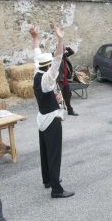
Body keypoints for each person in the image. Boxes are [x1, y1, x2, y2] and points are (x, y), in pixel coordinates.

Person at [30, 25, 75, 198]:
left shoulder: (37, 71)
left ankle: (48, 179)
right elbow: (57, 61)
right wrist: (60, 39)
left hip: (42, 117)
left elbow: (36, 54)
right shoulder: (47, 80)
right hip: (51, 118)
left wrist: (35, 37)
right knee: (54, 153)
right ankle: (56, 189)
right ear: (48, 66)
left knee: (45, 150)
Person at [57, 46, 78, 116]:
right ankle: (58, 115)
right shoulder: (55, 57)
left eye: (63, 49)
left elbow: (72, 52)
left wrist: (66, 47)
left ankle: (70, 110)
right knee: (59, 97)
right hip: (58, 80)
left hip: (65, 79)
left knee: (68, 95)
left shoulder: (64, 56)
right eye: (62, 49)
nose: (63, 51)